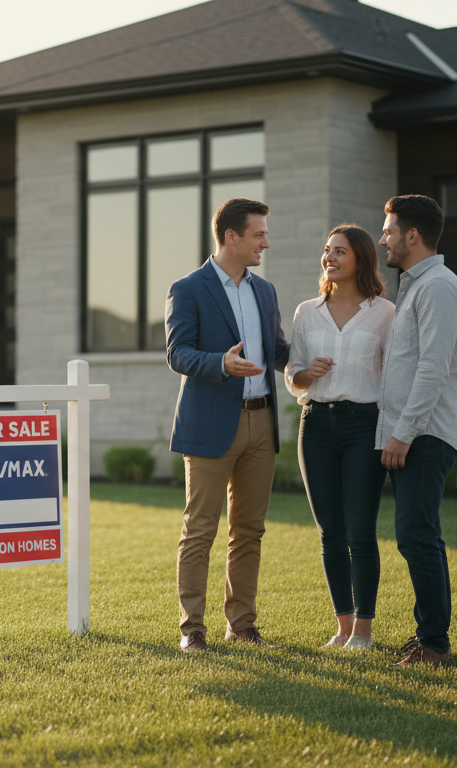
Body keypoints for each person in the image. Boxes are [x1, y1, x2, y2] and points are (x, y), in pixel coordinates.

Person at [165, 197, 290, 653]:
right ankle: (191, 630)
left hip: (262, 425)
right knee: (200, 529)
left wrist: (304, 362)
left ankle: (242, 625)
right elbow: (177, 353)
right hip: (211, 425)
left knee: (249, 531)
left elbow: (275, 350)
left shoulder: (265, 291)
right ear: (231, 237)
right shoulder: (188, 288)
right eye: (258, 234)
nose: (265, 243)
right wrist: (221, 363)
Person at [285, 224, 393, 651]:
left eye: (339, 251)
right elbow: (292, 373)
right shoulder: (306, 312)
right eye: (326, 251)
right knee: (330, 532)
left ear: (361, 259)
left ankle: (364, 632)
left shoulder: (385, 313)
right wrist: (304, 373)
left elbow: (394, 376)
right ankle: (344, 628)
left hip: (364, 424)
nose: (329, 257)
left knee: (361, 531)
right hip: (315, 424)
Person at [376, 195, 457, 666]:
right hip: (416, 431)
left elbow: (433, 369)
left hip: (426, 433)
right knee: (418, 534)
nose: (383, 238)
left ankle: (435, 642)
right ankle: (429, 635)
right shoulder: (415, 286)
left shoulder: (436, 287)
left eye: (389, 230)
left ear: (412, 236)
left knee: (417, 533)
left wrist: (403, 432)